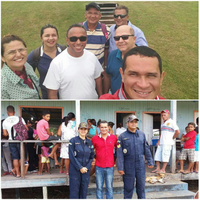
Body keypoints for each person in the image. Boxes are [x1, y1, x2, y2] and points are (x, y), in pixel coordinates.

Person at [43, 23, 103, 99]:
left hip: (92, 109)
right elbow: (52, 94)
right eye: (73, 39)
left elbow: (97, 78)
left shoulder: (92, 57)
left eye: (82, 38)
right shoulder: (57, 62)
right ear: (67, 40)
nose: (78, 42)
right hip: (70, 110)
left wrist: (101, 97)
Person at [100, 46, 165, 100]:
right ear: (122, 75)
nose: (143, 85)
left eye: (151, 76)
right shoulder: (100, 108)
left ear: (161, 78)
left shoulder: (171, 110)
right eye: (133, 74)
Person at [117, 114, 153, 199]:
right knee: (128, 187)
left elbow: (146, 149)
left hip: (140, 164)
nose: (134, 124)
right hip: (128, 164)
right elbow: (119, 153)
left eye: (135, 122)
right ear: (127, 123)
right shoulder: (122, 136)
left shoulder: (141, 135)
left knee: (141, 187)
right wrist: (120, 167)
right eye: (131, 122)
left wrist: (150, 161)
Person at [27, 24, 66, 99]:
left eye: (53, 35)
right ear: (41, 37)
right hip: (47, 97)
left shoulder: (65, 51)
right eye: (47, 36)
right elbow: (25, 72)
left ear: (57, 36)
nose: (51, 38)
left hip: (67, 95)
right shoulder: (35, 55)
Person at [83, 2, 111, 93]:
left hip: (99, 73)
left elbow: (106, 48)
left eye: (96, 13)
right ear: (85, 15)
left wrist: (105, 67)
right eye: (90, 13)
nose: (92, 16)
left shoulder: (106, 30)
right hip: (82, 72)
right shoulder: (79, 28)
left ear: (100, 16)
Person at [1, 34, 40, 99]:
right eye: (12, 52)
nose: (19, 55)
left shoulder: (27, 66)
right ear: (2, 58)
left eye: (21, 50)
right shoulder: (2, 85)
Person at [105, 25, 137, 94]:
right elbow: (108, 75)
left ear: (134, 39)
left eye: (125, 37)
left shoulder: (144, 57)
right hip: (116, 100)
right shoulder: (112, 55)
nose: (120, 41)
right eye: (117, 38)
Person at [92, 120, 117, 199]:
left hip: (110, 166)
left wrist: (116, 161)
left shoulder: (113, 138)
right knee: (99, 187)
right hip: (99, 166)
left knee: (109, 187)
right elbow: (91, 151)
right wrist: (93, 159)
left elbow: (118, 150)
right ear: (99, 128)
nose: (104, 129)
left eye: (105, 127)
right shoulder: (95, 138)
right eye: (102, 127)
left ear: (108, 127)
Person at [69, 122, 94, 199]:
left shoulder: (89, 142)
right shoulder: (73, 141)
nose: (83, 130)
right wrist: (80, 167)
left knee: (84, 191)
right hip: (75, 170)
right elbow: (72, 156)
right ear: (78, 130)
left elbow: (91, 156)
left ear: (87, 130)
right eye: (81, 129)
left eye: (85, 129)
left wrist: (87, 167)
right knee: (74, 191)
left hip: (86, 170)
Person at [2, 105, 28, 178]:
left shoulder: (4, 121)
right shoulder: (20, 118)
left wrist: (9, 133)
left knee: (15, 158)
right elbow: (26, 129)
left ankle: (18, 173)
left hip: (11, 141)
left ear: (7, 112)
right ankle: (17, 171)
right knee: (21, 157)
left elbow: (4, 134)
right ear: (14, 112)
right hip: (20, 141)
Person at [152, 110, 180, 174]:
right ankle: (158, 168)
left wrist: (173, 137)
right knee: (157, 155)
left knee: (165, 155)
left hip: (167, 142)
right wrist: (158, 141)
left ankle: (163, 169)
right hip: (161, 142)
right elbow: (161, 133)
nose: (163, 116)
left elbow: (177, 131)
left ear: (168, 115)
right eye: (162, 115)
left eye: (164, 115)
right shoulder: (163, 123)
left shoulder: (171, 122)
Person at [36, 110, 60, 174]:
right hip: (46, 137)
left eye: (49, 116)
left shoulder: (39, 122)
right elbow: (48, 132)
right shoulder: (45, 122)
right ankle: (52, 154)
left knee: (52, 146)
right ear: (43, 116)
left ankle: (55, 160)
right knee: (59, 140)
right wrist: (51, 134)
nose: (48, 118)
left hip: (42, 138)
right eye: (47, 116)